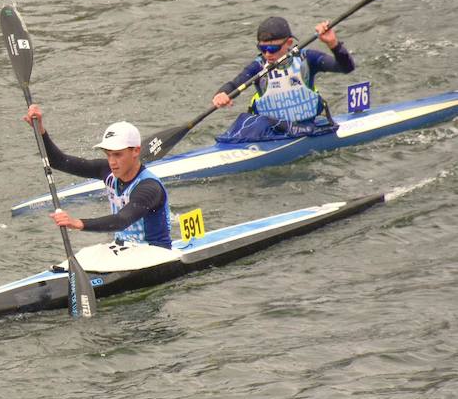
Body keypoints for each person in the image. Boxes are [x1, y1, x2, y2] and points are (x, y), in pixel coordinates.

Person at [23, 104, 175, 249]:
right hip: (123, 250)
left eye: (117, 155)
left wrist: (77, 223)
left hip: (154, 253)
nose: (112, 162)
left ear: (136, 151)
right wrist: (40, 130)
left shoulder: (149, 187)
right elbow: (59, 162)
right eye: (108, 155)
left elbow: (121, 221)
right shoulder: (107, 170)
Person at [210, 15, 356, 138]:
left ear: (289, 43)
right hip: (272, 133)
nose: (267, 54)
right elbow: (235, 84)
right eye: (262, 48)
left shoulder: (307, 59)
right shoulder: (258, 67)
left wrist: (333, 44)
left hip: (307, 127)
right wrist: (221, 94)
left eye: (273, 48)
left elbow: (346, 68)